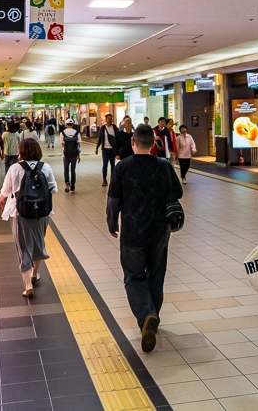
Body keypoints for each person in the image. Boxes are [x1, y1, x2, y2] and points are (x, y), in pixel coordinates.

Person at [106, 124, 182, 353]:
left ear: (133, 142)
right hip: (160, 232)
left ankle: (146, 315)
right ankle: (153, 317)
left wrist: (112, 223)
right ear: (153, 143)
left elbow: (113, 200)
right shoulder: (163, 166)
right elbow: (177, 193)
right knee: (156, 275)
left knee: (133, 276)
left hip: (132, 232)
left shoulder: (123, 167)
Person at [0, 139, 57, 298]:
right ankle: (34, 274)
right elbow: (54, 189)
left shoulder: (15, 168)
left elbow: (6, 189)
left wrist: (0, 199)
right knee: (38, 243)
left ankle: (28, 285)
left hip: (20, 213)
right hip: (42, 213)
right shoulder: (46, 167)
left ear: (21, 151)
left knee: (23, 247)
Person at [95, 114, 119, 186]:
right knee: (105, 164)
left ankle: (112, 179)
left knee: (113, 165)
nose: (110, 120)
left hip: (113, 149)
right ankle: (104, 179)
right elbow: (100, 138)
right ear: (106, 119)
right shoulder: (103, 128)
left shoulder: (114, 128)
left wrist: (118, 150)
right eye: (109, 119)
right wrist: (97, 148)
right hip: (105, 149)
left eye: (111, 119)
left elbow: (118, 138)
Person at [61, 118, 81, 193]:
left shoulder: (62, 133)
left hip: (65, 154)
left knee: (66, 170)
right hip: (74, 154)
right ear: (73, 124)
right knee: (73, 170)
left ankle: (67, 183)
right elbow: (78, 145)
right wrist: (79, 156)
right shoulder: (77, 132)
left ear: (66, 124)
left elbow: (62, 144)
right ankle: (72, 186)